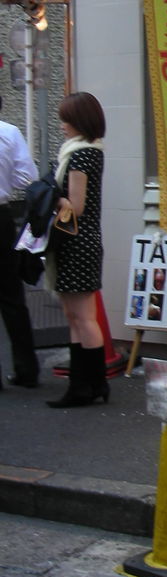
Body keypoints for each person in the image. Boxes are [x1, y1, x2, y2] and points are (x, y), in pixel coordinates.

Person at [45, 92, 109, 409]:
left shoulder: (82, 155)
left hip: (77, 243)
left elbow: (77, 206)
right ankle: (82, 383)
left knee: (82, 317)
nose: (61, 126)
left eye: (65, 120)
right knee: (75, 316)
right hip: (78, 244)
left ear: (79, 121)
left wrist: (48, 196)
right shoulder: (86, 151)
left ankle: (91, 384)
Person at [0, 96, 40, 388]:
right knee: (12, 295)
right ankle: (26, 370)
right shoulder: (9, 133)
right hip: (1, 217)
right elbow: (28, 177)